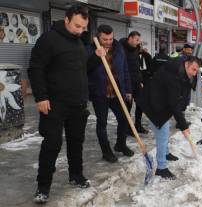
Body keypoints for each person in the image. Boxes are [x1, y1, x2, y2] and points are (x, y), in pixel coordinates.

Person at [28, 4, 90, 204]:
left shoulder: (79, 42)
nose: (80, 30)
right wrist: (40, 97)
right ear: (66, 19)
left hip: (77, 104)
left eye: (83, 27)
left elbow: (80, 71)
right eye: (77, 26)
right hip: (54, 104)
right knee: (52, 144)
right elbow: (35, 68)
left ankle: (76, 175)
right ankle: (43, 187)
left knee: (76, 143)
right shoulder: (49, 40)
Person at [137, 56, 200, 180]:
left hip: (162, 100)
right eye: (193, 69)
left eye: (196, 70)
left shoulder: (181, 70)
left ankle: (165, 154)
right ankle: (161, 168)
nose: (194, 73)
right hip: (154, 103)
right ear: (186, 64)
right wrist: (183, 125)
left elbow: (182, 95)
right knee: (163, 132)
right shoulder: (174, 75)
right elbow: (174, 103)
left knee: (164, 129)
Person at [86, 24, 132, 163]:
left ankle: (121, 144)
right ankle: (106, 152)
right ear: (98, 37)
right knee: (102, 123)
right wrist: (96, 56)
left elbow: (124, 69)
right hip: (100, 94)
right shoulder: (89, 49)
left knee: (124, 119)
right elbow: (85, 68)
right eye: (104, 39)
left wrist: (128, 89)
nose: (108, 42)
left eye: (110, 38)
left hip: (117, 92)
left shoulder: (118, 49)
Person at [120, 31, 149, 134]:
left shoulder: (136, 48)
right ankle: (128, 128)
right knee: (128, 105)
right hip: (127, 82)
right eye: (137, 40)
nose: (138, 42)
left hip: (137, 81)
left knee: (141, 103)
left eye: (139, 40)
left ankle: (138, 125)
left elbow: (137, 65)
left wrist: (141, 80)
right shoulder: (121, 48)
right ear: (130, 38)